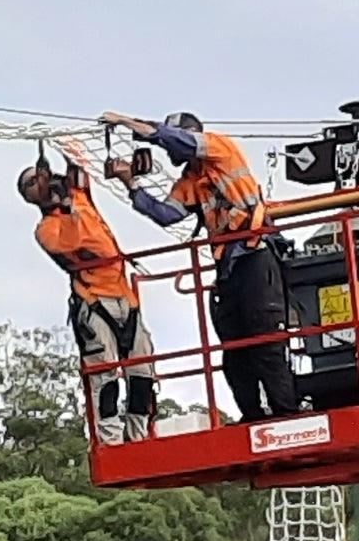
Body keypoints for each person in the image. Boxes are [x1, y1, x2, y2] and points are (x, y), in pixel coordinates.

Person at [102, 111, 303, 422]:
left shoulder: (220, 149)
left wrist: (129, 123)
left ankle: (286, 415)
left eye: (174, 142)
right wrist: (131, 184)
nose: (170, 153)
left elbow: (176, 140)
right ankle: (253, 417)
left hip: (255, 255)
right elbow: (166, 214)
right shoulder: (190, 181)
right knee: (234, 351)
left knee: (265, 340)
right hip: (229, 266)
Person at [19, 145, 155, 444]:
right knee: (105, 374)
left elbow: (79, 169)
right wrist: (67, 204)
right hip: (94, 301)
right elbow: (77, 249)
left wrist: (65, 147)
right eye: (34, 180)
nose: (43, 180)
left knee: (143, 369)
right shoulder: (46, 229)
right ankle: (112, 440)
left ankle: (140, 435)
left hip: (124, 296)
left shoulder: (79, 196)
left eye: (41, 174)